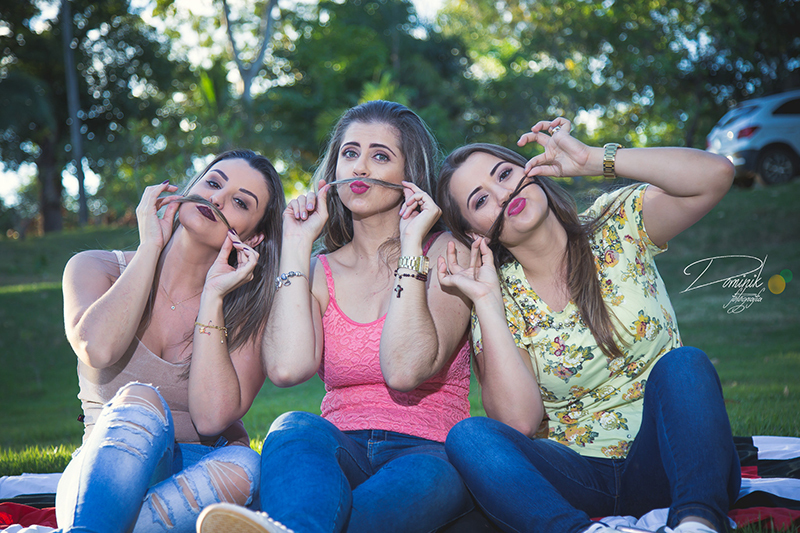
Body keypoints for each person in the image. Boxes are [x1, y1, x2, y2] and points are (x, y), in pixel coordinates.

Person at [433, 118, 741, 533]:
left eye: (504, 174)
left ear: (531, 170)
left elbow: (716, 175)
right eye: (481, 200)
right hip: (578, 477)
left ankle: (697, 523)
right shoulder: (496, 295)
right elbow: (518, 423)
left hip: (668, 458)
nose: (504, 194)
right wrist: (487, 302)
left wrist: (594, 159)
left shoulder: (617, 224)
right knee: (469, 436)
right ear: (475, 233)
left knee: (685, 364)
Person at [196, 100, 474, 533]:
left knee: (427, 477)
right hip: (339, 447)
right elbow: (287, 369)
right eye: (350, 153)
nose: (360, 167)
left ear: (410, 175)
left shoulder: (446, 252)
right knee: (292, 426)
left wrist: (411, 246)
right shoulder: (317, 270)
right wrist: (296, 244)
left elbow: (405, 369)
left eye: (380, 156)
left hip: (429, 450)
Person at [55, 149, 285, 533]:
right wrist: (150, 247)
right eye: (213, 183)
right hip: (103, 471)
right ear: (191, 187)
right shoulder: (95, 267)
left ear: (254, 236)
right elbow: (98, 348)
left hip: (193, 473)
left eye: (241, 202)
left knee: (248, 464)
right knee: (140, 399)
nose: (217, 199)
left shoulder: (249, 313)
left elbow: (211, 419)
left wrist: (213, 298)